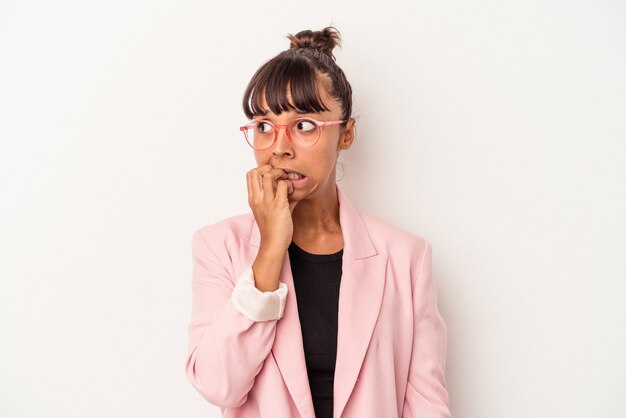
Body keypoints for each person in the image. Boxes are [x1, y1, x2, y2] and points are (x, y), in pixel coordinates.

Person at [185, 27, 451, 418]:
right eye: (263, 126)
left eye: (304, 124)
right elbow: (218, 384)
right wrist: (270, 249)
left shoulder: (406, 258)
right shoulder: (218, 247)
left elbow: (427, 407)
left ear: (346, 134)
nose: (280, 147)